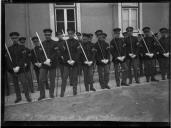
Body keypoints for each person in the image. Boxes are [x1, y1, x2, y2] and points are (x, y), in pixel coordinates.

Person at [6, 32, 32, 103]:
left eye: (16, 38)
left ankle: (27, 97)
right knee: (16, 84)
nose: (14, 39)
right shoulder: (8, 49)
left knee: (24, 83)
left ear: (18, 38)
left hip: (21, 70)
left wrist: (19, 66)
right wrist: (12, 68)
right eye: (13, 38)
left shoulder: (22, 47)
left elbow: (23, 58)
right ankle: (18, 97)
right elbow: (8, 60)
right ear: (11, 39)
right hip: (13, 70)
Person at [38, 28, 60, 100]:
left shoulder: (55, 43)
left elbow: (56, 53)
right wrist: (44, 61)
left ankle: (51, 94)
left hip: (52, 64)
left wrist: (50, 59)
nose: (47, 36)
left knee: (52, 80)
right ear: (44, 35)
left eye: (49, 35)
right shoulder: (42, 43)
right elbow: (40, 54)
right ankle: (42, 95)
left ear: (51, 35)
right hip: (44, 65)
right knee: (41, 79)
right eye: (46, 35)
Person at [60, 28, 81, 97]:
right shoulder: (65, 42)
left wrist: (74, 60)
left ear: (74, 34)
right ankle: (62, 92)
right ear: (68, 34)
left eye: (71, 33)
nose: (70, 35)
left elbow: (78, 52)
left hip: (74, 63)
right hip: (67, 63)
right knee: (64, 77)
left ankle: (75, 91)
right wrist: (67, 60)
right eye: (69, 34)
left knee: (75, 77)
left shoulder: (77, 42)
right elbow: (63, 53)